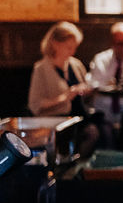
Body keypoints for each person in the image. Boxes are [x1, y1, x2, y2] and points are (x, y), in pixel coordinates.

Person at [27, 21, 100, 156]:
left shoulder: (76, 65)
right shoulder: (41, 69)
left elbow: (86, 91)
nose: (72, 52)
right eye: (68, 47)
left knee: (97, 131)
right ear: (55, 44)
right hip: (57, 126)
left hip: (79, 120)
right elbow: (35, 105)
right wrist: (64, 97)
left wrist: (87, 92)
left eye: (74, 48)